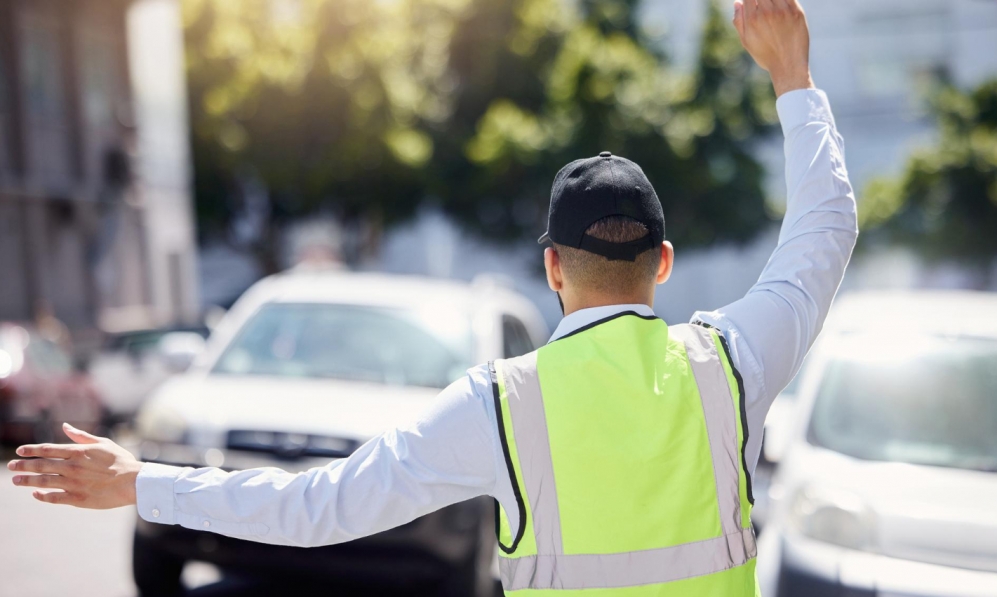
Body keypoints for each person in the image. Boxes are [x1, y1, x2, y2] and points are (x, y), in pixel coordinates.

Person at [8, 1, 856, 594]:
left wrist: (143, 482)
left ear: (552, 269)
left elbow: (320, 505)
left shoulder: (501, 403)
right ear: (662, 261)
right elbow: (825, 231)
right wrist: (793, 76)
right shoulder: (732, 366)